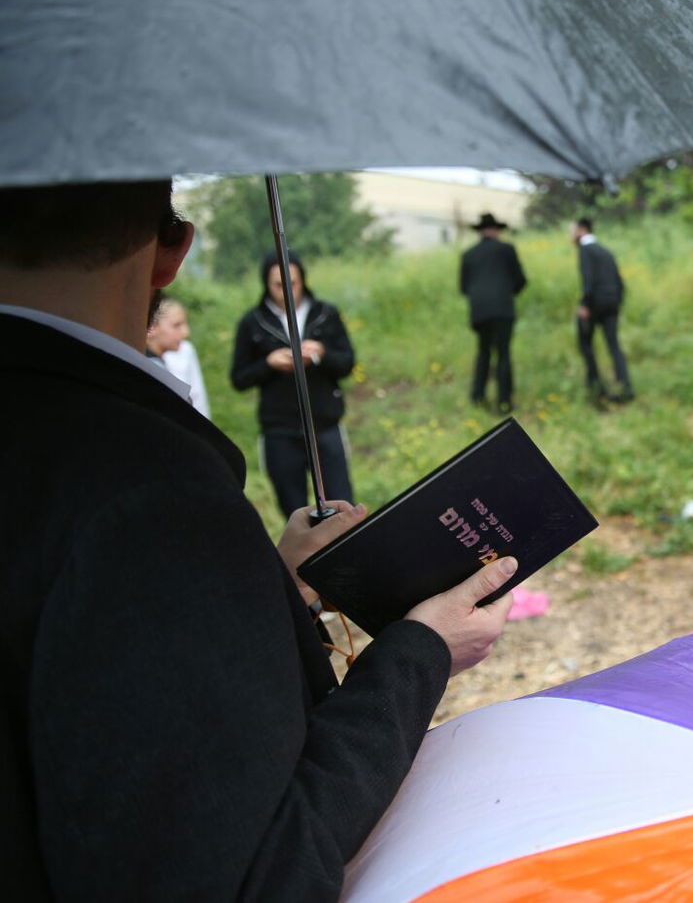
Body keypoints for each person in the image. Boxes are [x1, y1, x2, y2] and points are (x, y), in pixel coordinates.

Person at [0, 180, 515, 900]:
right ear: (172, 250)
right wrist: (421, 650)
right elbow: (253, 871)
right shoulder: (147, 491)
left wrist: (273, 586)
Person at [232, 251, 356, 520]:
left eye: (293, 283)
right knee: (295, 512)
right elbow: (239, 378)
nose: (287, 291)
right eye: (279, 285)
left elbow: (347, 363)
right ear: (266, 284)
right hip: (280, 429)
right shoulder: (253, 322)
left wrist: (321, 353)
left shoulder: (325, 314)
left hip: (324, 424)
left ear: (303, 280)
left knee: (342, 506)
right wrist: (269, 363)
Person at [458, 213, 527, 413]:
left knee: (483, 352)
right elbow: (520, 280)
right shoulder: (506, 249)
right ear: (496, 230)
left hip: (480, 311)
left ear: (480, 232)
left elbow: (464, 287)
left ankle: (478, 397)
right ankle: (504, 401)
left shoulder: (469, 254)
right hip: (503, 309)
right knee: (503, 353)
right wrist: (506, 293)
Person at [571, 217, 632, 404]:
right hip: (612, 303)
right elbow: (619, 282)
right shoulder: (605, 251)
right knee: (614, 345)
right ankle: (626, 388)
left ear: (581, 230)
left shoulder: (585, 250)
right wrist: (617, 302)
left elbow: (588, 280)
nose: (570, 235)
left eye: (572, 230)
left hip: (595, 304)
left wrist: (585, 305)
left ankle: (595, 387)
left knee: (585, 343)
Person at [146, 296, 211, 418]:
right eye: (176, 325)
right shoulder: (148, 367)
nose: (186, 332)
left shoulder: (184, 352)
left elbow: (198, 397)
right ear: (152, 327)